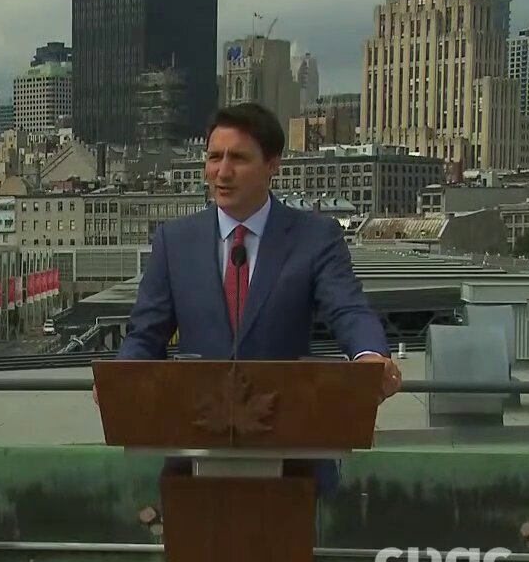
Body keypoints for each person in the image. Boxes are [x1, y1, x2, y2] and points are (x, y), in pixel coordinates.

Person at [105, 103, 402, 488]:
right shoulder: (173, 241)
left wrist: (368, 356)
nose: (222, 172)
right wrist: (122, 377)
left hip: (292, 453)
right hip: (195, 454)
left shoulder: (315, 237)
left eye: (239, 158)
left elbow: (347, 308)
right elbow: (146, 333)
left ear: (272, 165)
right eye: (214, 157)